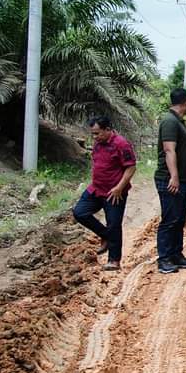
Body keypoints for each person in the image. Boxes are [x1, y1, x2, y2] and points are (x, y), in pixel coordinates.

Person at [73, 116, 136, 271]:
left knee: (114, 224)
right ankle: (105, 236)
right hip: (96, 188)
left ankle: (114, 260)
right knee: (80, 212)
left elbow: (131, 167)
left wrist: (120, 187)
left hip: (114, 192)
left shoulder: (121, 144)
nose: (95, 137)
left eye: (97, 133)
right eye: (93, 134)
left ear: (108, 129)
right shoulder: (98, 144)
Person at [155, 88, 186, 274]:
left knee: (180, 218)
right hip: (170, 180)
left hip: (183, 179)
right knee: (170, 219)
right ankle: (164, 258)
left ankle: (176, 254)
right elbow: (168, 150)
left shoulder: (179, 122)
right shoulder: (169, 122)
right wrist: (173, 176)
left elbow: (181, 149)